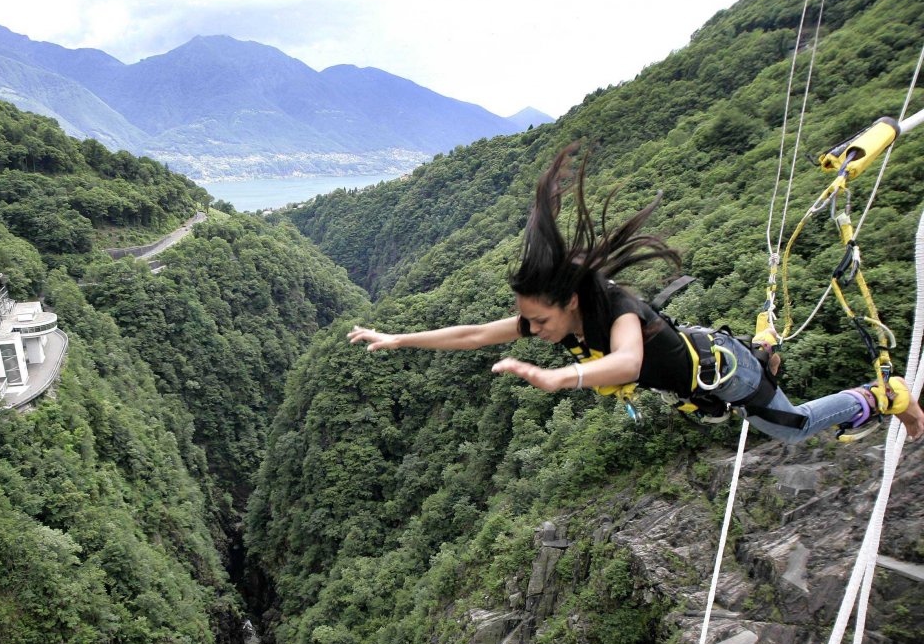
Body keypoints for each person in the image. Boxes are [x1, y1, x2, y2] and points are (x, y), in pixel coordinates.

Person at [348, 143, 924, 443]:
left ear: (570, 301)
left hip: (730, 376)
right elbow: (474, 334)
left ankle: (885, 396)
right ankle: (765, 341)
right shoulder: (556, 317)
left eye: (538, 321)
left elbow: (627, 360)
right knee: (764, 410)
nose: (532, 331)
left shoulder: (622, 314)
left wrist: (558, 378)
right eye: (528, 322)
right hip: (705, 369)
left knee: (791, 428)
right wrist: (397, 338)